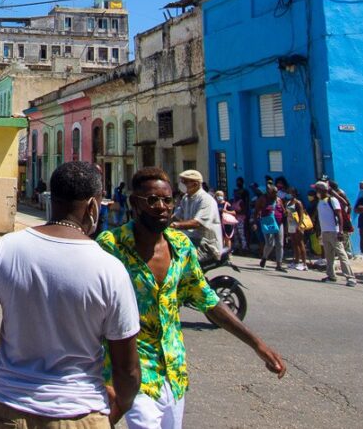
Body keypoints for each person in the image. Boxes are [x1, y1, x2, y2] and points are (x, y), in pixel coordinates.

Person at [0, 161, 142, 429]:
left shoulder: (7, 250)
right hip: (82, 413)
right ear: (92, 206)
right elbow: (127, 368)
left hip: (10, 410)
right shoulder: (110, 269)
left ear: (52, 199)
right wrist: (122, 403)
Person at [98, 167, 286, 428]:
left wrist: (257, 344)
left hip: (173, 370)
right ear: (135, 204)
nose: (162, 206)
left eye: (167, 199)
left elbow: (208, 301)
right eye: (152, 200)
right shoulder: (112, 245)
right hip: (131, 369)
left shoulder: (181, 247)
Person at [170, 169, 222, 263]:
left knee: (178, 262)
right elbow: (176, 216)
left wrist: (175, 225)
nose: (182, 184)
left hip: (206, 245)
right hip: (190, 240)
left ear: (195, 184)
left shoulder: (206, 200)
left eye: (185, 182)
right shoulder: (186, 198)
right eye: (182, 181)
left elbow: (198, 223)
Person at [315, 181, 357, 287]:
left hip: (334, 231)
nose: (316, 191)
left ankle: (350, 277)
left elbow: (339, 216)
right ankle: (331, 275)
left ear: (322, 190)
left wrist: (340, 231)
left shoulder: (332, 200)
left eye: (317, 189)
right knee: (329, 256)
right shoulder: (320, 202)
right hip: (325, 232)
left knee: (342, 254)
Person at [253, 185, 286, 272]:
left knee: (280, 244)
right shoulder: (262, 199)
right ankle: (264, 257)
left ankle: (279, 265)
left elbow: (283, 211)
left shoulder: (278, 200)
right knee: (270, 243)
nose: (275, 195)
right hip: (268, 223)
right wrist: (255, 223)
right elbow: (256, 211)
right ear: (268, 193)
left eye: (276, 193)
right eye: (273, 193)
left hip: (279, 224)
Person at [284, 188, 308, 271]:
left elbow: (301, 215)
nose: (288, 194)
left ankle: (304, 264)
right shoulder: (287, 203)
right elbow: (287, 215)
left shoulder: (298, 203)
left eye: (290, 192)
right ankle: (296, 262)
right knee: (294, 243)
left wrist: (299, 226)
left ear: (294, 193)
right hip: (290, 225)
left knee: (300, 243)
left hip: (297, 225)